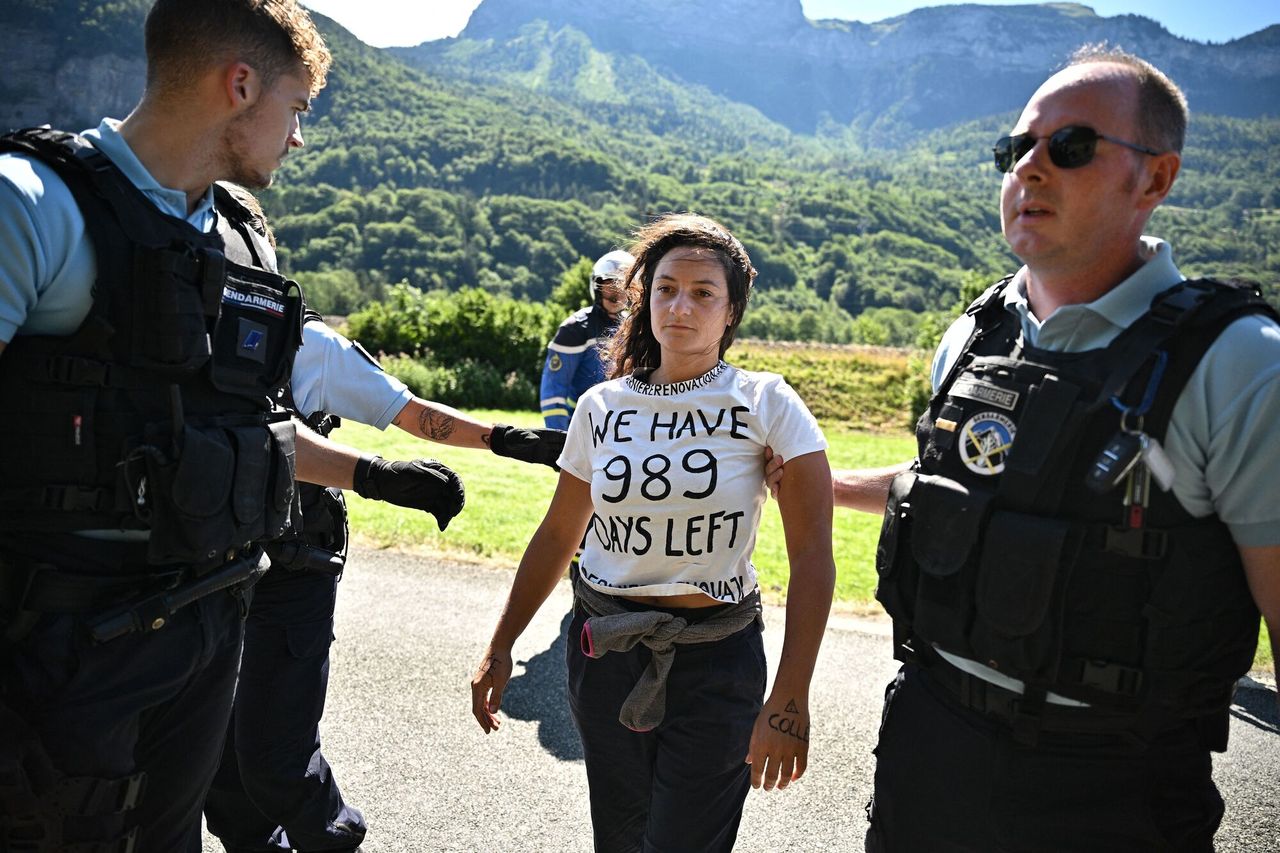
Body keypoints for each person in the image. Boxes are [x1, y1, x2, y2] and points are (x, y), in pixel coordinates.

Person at [0, 2, 462, 849]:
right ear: (239, 85)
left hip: (210, 628)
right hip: (64, 646)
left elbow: (234, 427)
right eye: (296, 109)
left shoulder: (242, 238)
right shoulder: (30, 205)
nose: (297, 138)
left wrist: (369, 473)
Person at [827, 47, 1280, 852]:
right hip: (926, 757)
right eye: (1015, 149)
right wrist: (818, 482)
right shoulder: (976, 331)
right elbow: (950, 486)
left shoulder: (1240, 363)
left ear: (1155, 179)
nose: (1029, 167)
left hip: (1113, 794)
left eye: (1069, 146)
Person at [201, 190, 563, 852]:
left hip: (293, 566)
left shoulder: (309, 344)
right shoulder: (168, 333)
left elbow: (413, 413)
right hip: (206, 570)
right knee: (218, 776)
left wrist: (508, 439)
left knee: (277, 765)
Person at [472, 213, 836, 852]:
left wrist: (789, 698)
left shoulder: (767, 401)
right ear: (643, 300)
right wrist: (501, 644)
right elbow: (559, 534)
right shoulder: (602, 406)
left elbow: (812, 556)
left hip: (717, 661)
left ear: (731, 311)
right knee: (618, 837)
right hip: (604, 655)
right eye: (666, 288)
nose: (681, 307)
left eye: (704, 293)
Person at [540, 249, 634, 429]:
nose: (616, 294)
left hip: (623, 428)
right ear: (596, 286)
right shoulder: (575, 328)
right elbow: (553, 391)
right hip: (583, 426)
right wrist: (558, 437)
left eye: (622, 287)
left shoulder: (633, 327)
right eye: (609, 285)